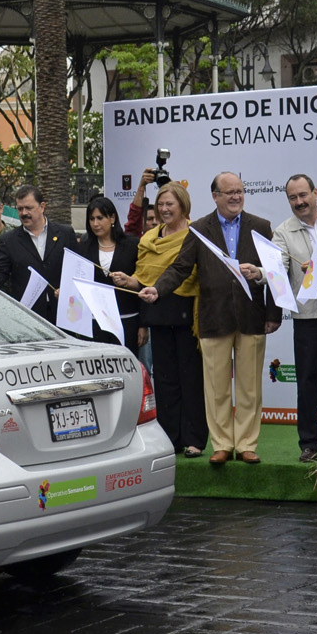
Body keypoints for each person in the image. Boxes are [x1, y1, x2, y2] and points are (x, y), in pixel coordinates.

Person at [138, 172, 280, 465]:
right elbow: (180, 268)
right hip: (213, 318)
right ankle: (222, 444)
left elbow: (275, 272)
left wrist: (274, 312)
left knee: (249, 387)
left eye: (239, 191)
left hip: (252, 317)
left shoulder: (261, 227)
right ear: (215, 196)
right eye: (228, 192)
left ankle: (247, 444)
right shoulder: (200, 229)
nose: (235, 197)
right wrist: (158, 290)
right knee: (216, 388)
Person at [116, 181, 204, 456]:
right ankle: (170, 437)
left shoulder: (195, 235)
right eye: (161, 205)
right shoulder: (148, 239)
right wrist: (129, 281)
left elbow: (188, 273)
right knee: (164, 379)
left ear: (183, 206)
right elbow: (144, 276)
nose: (165, 210)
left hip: (187, 310)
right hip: (157, 311)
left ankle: (194, 439)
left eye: (170, 205)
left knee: (191, 377)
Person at [274, 174, 317, 461]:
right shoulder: (283, 232)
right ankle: (310, 444)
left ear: (316, 192)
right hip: (307, 318)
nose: (299, 202)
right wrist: (262, 275)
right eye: (293, 197)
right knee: (308, 381)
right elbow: (277, 270)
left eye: (304, 195)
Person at [0, 186, 77, 321]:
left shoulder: (65, 234)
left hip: (64, 313)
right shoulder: (9, 240)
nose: (24, 213)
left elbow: (78, 270)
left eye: (29, 208)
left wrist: (68, 289)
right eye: (20, 209)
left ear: (42, 206)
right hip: (29, 318)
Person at [75, 196, 140, 350]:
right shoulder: (83, 246)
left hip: (127, 319)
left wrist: (143, 325)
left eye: (100, 218)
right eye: (92, 219)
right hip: (94, 322)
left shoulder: (132, 244)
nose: (95, 224)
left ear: (112, 218)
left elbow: (143, 282)